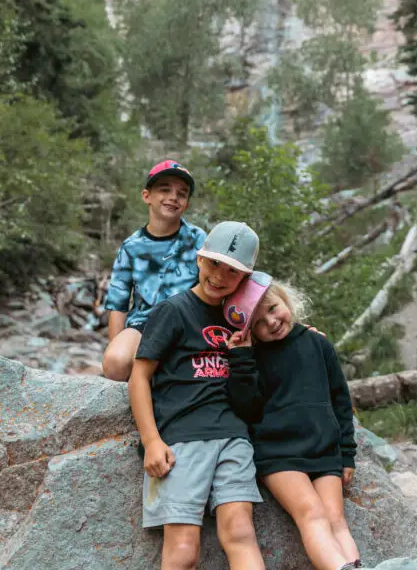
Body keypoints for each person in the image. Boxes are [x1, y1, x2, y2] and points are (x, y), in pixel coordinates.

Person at [128, 220, 265, 570]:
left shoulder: (241, 322)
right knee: (184, 549)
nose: (220, 276)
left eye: (233, 271)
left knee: (240, 533)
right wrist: (151, 440)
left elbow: (251, 392)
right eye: (215, 263)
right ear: (199, 259)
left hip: (233, 437)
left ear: (245, 278)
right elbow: (139, 376)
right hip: (182, 440)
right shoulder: (173, 310)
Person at [226, 281, 362, 570]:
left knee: (336, 519)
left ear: (285, 300)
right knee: (311, 512)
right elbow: (246, 406)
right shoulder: (253, 357)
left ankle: (354, 565)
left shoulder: (318, 343)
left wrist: (347, 454)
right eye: (260, 322)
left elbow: (340, 400)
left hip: (324, 448)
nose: (272, 322)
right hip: (277, 453)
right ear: (249, 330)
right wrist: (240, 359)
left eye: (274, 309)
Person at [102, 160, 206, 382]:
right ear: (146, 196)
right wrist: (116, 344)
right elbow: (118, 304)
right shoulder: (131, 247)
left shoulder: (198, 240)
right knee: (115, 362)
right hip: (144, 325)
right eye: (165, 189)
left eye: (182, 193)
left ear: (187, 204)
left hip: (186, 324)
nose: (173, 197)